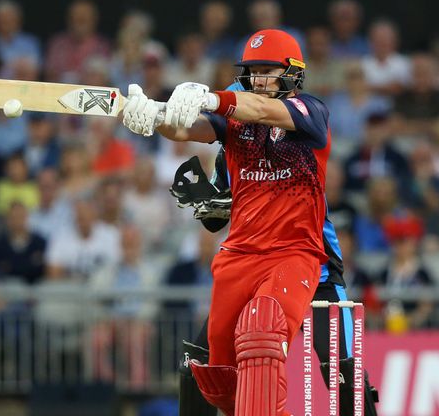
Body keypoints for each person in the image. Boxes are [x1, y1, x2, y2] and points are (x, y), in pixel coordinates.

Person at [122, 28, 360, 415]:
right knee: (209, 371)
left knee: (341, 373)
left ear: (292, 73)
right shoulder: (232, 131)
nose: (258, 79)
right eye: (252, 70)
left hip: (310, 263)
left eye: (268, 70)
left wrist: (214, 98)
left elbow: (262, 110)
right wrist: (152, 117)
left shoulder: (311, 112)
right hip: (243, 256)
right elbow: (186, 129)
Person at [168, 146, 379, 415]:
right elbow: (214, 221)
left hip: (315, 272)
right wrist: (206, 201)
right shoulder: (230, 149)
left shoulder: (295, 140)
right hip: (258, 273)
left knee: (344, 370)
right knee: (198, 364)